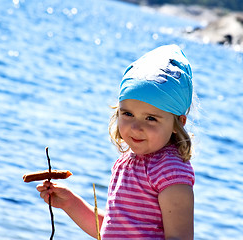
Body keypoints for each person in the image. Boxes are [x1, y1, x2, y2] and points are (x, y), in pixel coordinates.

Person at [37, 44, 195, 239]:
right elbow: (112, 230)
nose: (136, 127)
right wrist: (71, 204)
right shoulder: (126, 162)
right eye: (128, 114)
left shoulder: (170, 171)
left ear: (177, 123)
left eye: (151, 118)